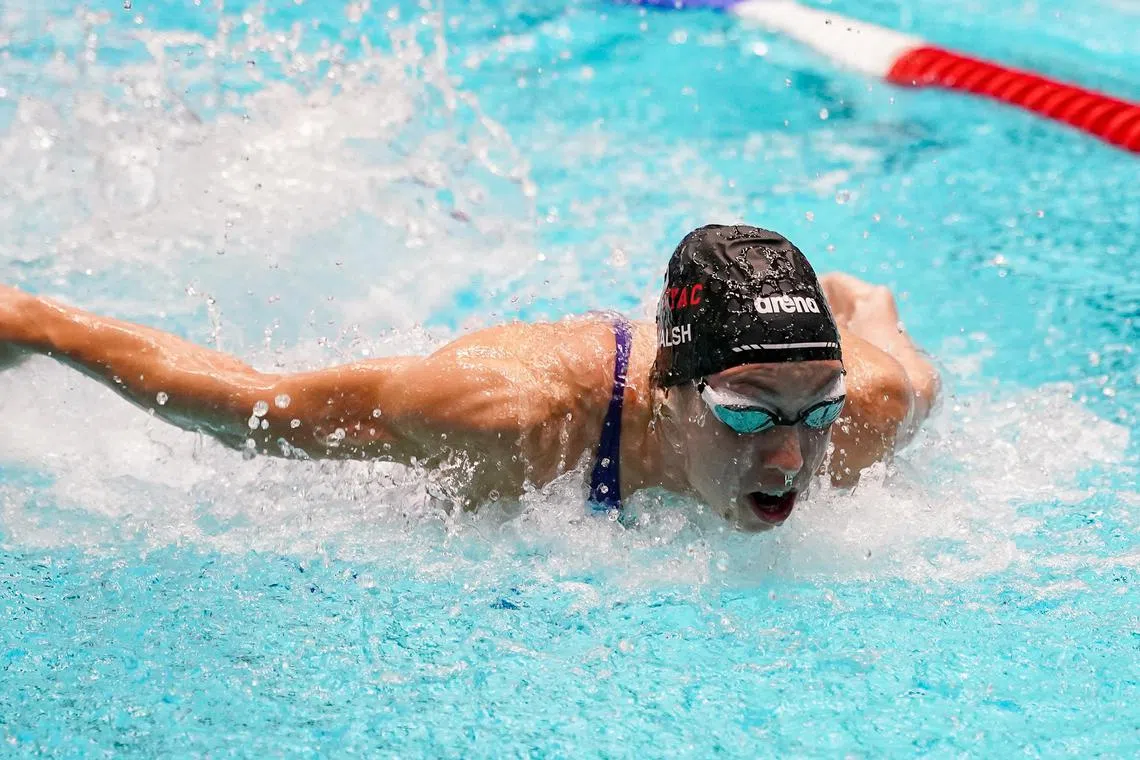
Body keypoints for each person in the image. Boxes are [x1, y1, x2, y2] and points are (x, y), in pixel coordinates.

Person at [0, 225, 938, 531]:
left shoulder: (867, 405)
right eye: (746, 416)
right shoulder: (507, 412)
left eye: (816, 411)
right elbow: (248, 405)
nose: (793, 455)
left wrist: (869, 319)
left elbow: (911, 375)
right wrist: (45, 328)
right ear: (669, 389)